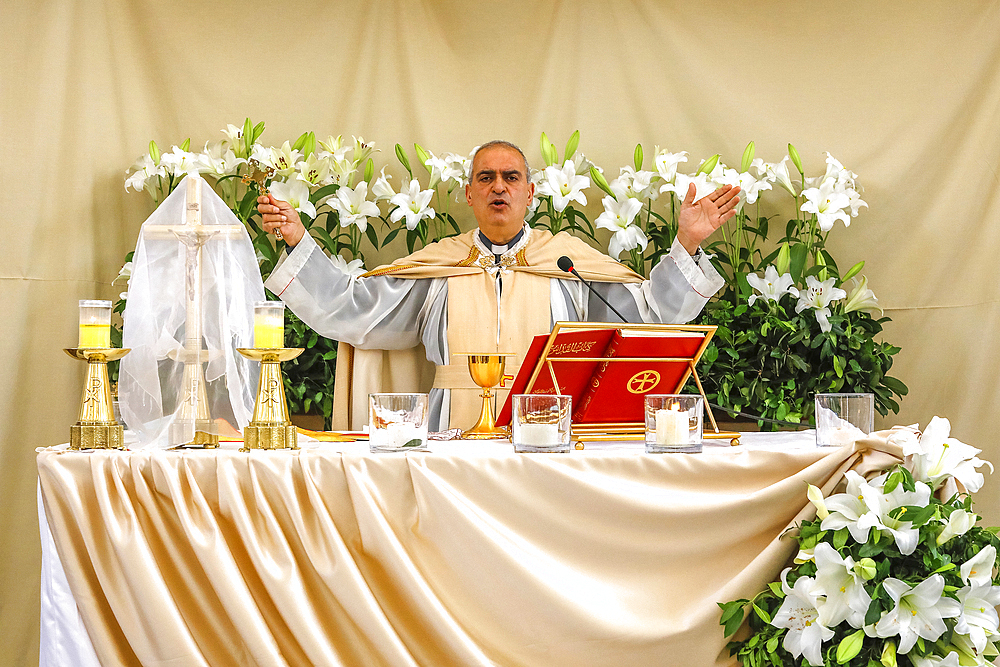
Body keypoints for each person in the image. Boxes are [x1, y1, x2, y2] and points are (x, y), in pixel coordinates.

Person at [257, 140, 740, 430]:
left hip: (549, 435)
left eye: (511, 177)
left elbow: (650, 317)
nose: (498, 187)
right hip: (453, 436)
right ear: (469, 193)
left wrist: (687, 242)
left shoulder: (567, 264)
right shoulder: (441, 268)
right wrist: (299, 239)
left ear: (530, 192)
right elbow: (353, 310)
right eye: (485, 178)